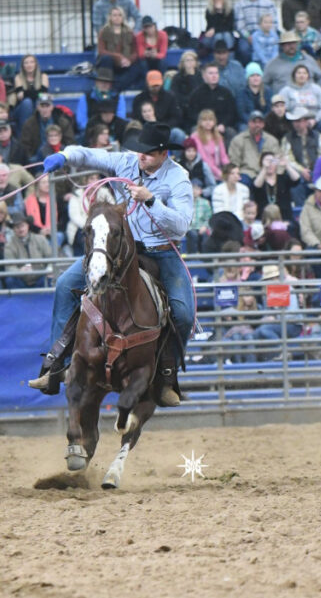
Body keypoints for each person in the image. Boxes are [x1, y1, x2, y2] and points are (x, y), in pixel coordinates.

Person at [30, 123, 193, 402]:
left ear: (164, 153)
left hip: (161, 250)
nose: (141, 157)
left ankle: (167, 374)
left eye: (149, 153)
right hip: (120, 250)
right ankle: (56, 364)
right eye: (140, 151)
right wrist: (65, 156)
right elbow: (89, 155)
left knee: (183, 312)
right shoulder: (125, 162)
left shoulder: (179, 179)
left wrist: (152, 200)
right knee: (65, 284)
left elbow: (182, 223)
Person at [235, 0, 280, 64]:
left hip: (267, 32)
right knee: (243, 49)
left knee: (278, 47)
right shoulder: (240, 5)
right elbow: (239, 26)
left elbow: (274, 23)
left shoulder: (268, 3)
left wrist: (270, 35)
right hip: (248, 35)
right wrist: (248, 36)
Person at [96, 6, 145, 92]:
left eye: (119, 15)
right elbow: (101, 51)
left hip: (126, 64)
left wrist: (129, 60)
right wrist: (118, 57)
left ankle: (117, 86)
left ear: (123, 17)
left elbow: (135, 52)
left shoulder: (130, 32)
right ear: (110, 17)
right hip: (111, 64)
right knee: (105, 59)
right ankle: (108, 86)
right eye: (114, 15)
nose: (117, 17)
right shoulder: (104, 32)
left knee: (140, 64)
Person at [264, 30, 321, 95]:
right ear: (282, 46)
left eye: (293, 43)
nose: (291, 46)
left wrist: (318, 94)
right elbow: (264, 83)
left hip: (309, 100)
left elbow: (320, 77)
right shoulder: (272, 64)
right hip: (283, 102)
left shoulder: (309, 60)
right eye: (287, 43)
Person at [279, 64, 321, 135]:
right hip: (294, 120)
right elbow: (283, 109)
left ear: (308, 76)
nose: (302, 75)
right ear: (294, 75)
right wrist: (297, 120)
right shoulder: (286, 90)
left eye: (304, 73)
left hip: (314, 120)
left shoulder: (316, 89)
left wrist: (315, 120)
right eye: (299, 73)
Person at [229, 110, 280, 183]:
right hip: (248, 173)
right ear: (248, 123)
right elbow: (234, 162)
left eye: (260, 122)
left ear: (263, 124)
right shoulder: (238, 140)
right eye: (254, 122)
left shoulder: (272, 140)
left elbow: (277, 159)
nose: (257, 125)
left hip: (268, 173)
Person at [186, 64, 238, 134]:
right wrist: (204, 124)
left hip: (221, 126)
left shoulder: (226, 93)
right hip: (201, 126)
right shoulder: (196, 93)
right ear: (204, 76)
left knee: (231, 132)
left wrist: (223, 124)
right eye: (211, 73)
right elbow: (191, 113)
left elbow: (231, 113)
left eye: (216, 73)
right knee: (195, 131)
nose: (214, 76)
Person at [21, 94, 75, 161]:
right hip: (38, 158)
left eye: (47, 106)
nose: (45, 109)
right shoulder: (29, 124)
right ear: (37, 107)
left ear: (52, 107)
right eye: (42, 106)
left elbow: (70, 142)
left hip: (59, 155)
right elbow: (25, 146)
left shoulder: (63, 122)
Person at [9, 54, 49, 134]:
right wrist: (37, 93)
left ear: (36, 64)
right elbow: (20, 96)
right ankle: (24, 134)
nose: (29, 65)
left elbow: (43, 95)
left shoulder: (43, 76)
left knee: (40, 103)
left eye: (31, 62)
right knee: (27, 102)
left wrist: (27, 93)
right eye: (26, 63)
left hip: (37, 106)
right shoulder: (18, 77)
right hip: (21, 109)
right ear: (23, 66)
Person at [191, 109, 229, 180]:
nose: (208, 122)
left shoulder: (218, 136)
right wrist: (219, 173)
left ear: (214, 122)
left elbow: (224, 157)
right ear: (200, 122)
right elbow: (204, 159)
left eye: (210, 120)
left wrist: (229, 170)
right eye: (205, 120)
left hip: (218, 170)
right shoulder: (195, 137)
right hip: (204, 171)